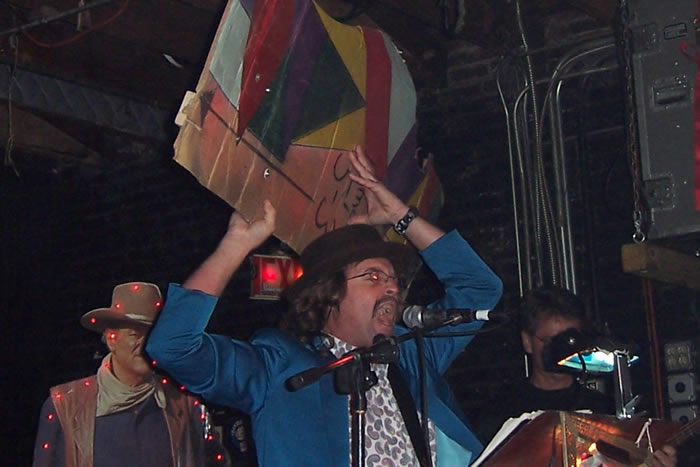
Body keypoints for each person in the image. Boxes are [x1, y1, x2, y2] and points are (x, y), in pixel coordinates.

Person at [146, 145, 503, 466]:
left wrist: (399, 215)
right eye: (374, 277)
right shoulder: (282, 370)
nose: (393, 287)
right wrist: (234, 246)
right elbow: (174, 346)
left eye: (394, 280)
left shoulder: (411, 356)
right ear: (330, 293)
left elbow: (480, 290)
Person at [475, 286, 677, 466]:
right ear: (527, 341)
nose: (561, 351)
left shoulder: (605, 410)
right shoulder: (501, 412)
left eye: (569, 341)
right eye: (551, 341)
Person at [32, 282, 227, 467]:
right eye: (135, 334)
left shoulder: (185, 404)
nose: (146, 344)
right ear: (112, 339)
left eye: (154, 335)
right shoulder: (66, 405)